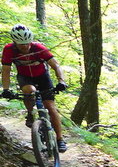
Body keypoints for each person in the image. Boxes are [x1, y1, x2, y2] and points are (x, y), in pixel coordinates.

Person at [1, 24, 68, 152]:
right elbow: (5, 70)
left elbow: (56, 65)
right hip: (25, 77)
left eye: (27, 43)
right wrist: (6, 89)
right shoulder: (9, 50)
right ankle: (30, 113)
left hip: (42, 76)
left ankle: (60, 139)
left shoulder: (39, 48)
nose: (25, 46)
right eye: (21, 44)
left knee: (51, 107)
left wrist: (61, 81)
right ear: (15, 42)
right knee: (29, 91)